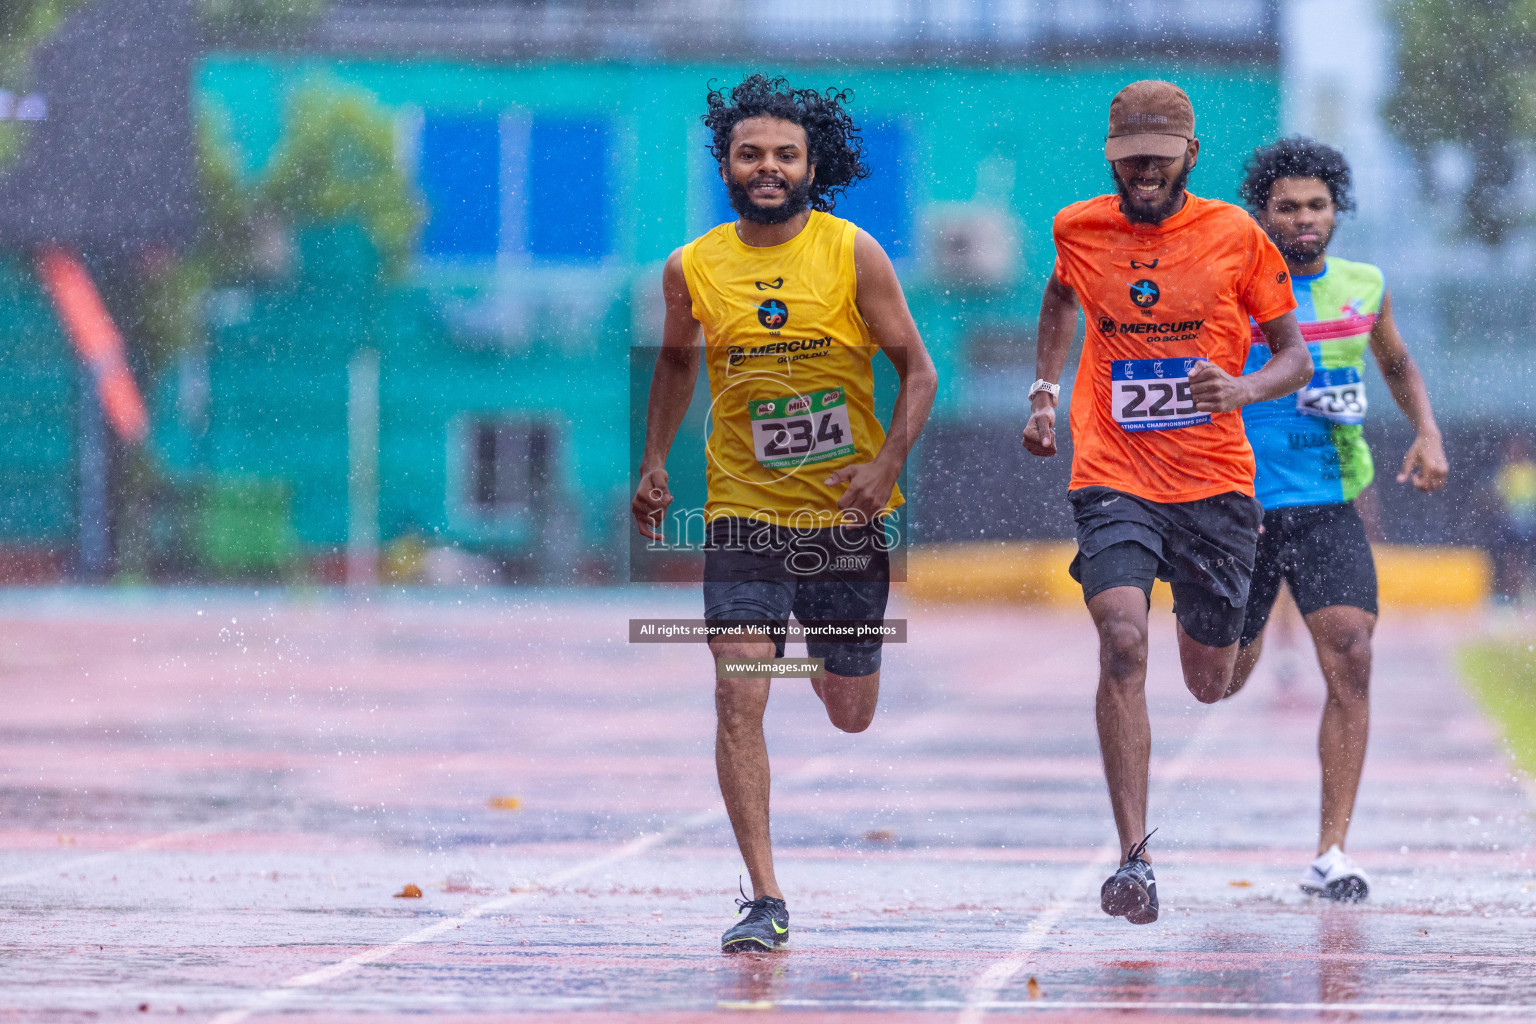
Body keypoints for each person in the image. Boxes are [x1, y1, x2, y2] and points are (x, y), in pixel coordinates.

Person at [631, 75, 938, 952]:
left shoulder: (853, 255)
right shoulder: (691, 268)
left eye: (785, 154)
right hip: (741, 518)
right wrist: (655, 461)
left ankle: (832, 655)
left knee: (850, 710)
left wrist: (885, 466)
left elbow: (919, 371)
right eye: (751, 153)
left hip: (843, 520)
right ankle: (765, 898)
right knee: (738, 694)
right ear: (726, 165)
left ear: (813, 165)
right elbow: (678, 365)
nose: (768, 168)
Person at [1022, 80, 1312, 925]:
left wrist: (1243, 386)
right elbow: (1060, 294)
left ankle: (1249, 614)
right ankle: (1133, 858)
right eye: (1127, 160)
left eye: (1157, 158)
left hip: (1215, 480)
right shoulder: (1078, 228)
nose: (1141, 173)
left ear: (1192, 154)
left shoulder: (1236, 237)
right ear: (1110, 159)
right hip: (1113, 471)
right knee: (1121, 639)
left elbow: (1293, 355)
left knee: (1209, 682)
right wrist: (1045, 390)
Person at [1226, 137, 1448, 901]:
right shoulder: (1234, 285)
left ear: (1336, 210)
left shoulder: (1364, 284)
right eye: (1287, 206)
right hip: (1243, 507)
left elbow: (1395, 362)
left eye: (1316, 205)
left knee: (1351, 654)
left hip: (1329, 500)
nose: (1304, 219)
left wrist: (1427, 431)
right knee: (1221, 679)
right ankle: (1221, 652)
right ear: (1263, 213)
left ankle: (1332, 852)